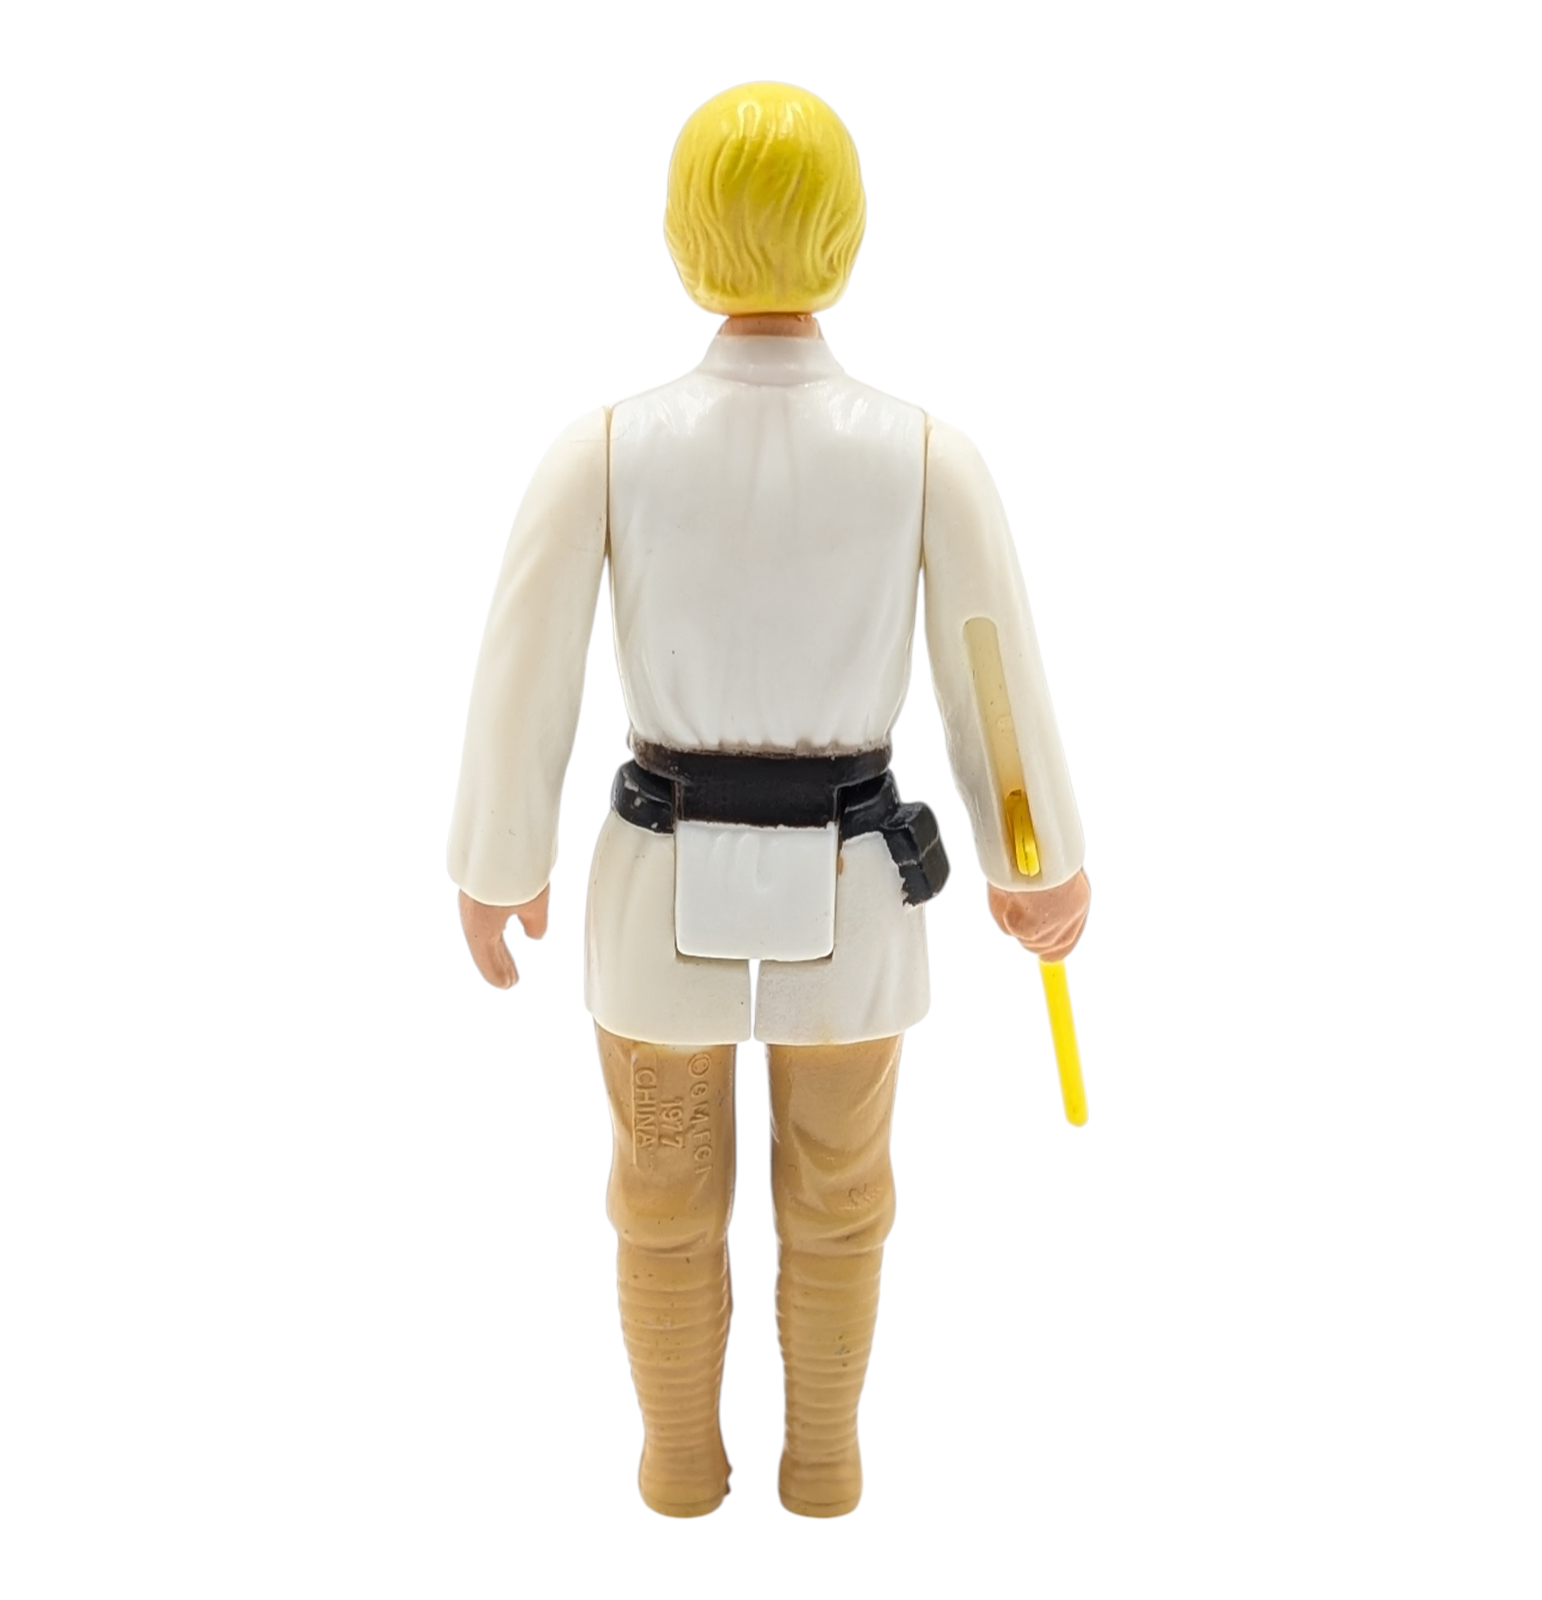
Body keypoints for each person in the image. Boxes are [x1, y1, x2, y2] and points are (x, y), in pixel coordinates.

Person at [448, 81, 1090, 1518]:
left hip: (665, 883)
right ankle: (813, 1462)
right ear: (848, 236)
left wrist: (500, 854)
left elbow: (523, 667)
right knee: (843, 1198)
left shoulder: (604, 446)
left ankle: (696, 1463)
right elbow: (994, 675)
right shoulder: (923, 455)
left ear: (682, 237)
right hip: (850, 886)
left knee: (661, 1200)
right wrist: (1035, 854)